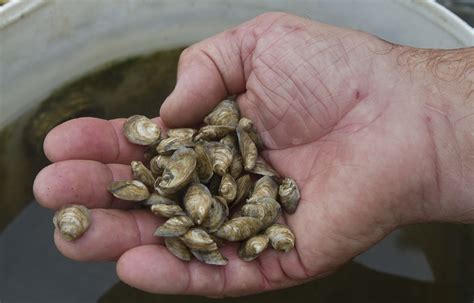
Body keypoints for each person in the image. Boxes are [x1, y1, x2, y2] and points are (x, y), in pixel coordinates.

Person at [33, 13, 473, 297]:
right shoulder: (203, 175)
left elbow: (227, 178)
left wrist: (432, 137)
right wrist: (435, 134)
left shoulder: (228, 174)